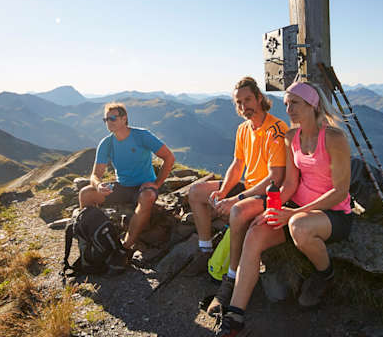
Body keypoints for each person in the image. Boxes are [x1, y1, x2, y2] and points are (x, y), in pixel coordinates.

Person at [214, 80, 354, 336]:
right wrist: (273, 209)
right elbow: (290, 184)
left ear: (313, 105)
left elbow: (340, 191)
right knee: (255, 233)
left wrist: (294, 213)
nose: (289, 109)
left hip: (333, 214)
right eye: (287, 104)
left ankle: (325, 276)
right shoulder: (292, 138)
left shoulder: (334, 138)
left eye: (295, 103)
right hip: (296, 209)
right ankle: (235, 314)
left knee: (298, 227)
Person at [188, 78, 288, 314]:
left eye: (248, 100)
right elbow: (237, 164)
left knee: (237, 211)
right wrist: (223, 191)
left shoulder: (276, 129)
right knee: (196, 192)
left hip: (269, 193)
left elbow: (275, 178)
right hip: (249, 186)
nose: (244, 107)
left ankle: (231, 279)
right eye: (239, 102)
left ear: (260, 98)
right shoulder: (243, 129)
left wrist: (236, 198)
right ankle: (205, 249)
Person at [78, 102, 175, 257]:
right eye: (106, 119)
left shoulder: (142, 136)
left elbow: (169, 157)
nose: (109, 122)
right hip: (122, 186)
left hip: (144, 186)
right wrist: (98, 185)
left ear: (124, 119)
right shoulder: (106, 143)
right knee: (86, 193)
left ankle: (125, 247)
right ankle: (90, 240)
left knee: (147, 196)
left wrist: (156, 184)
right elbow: (95, 175)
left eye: (113, 118)